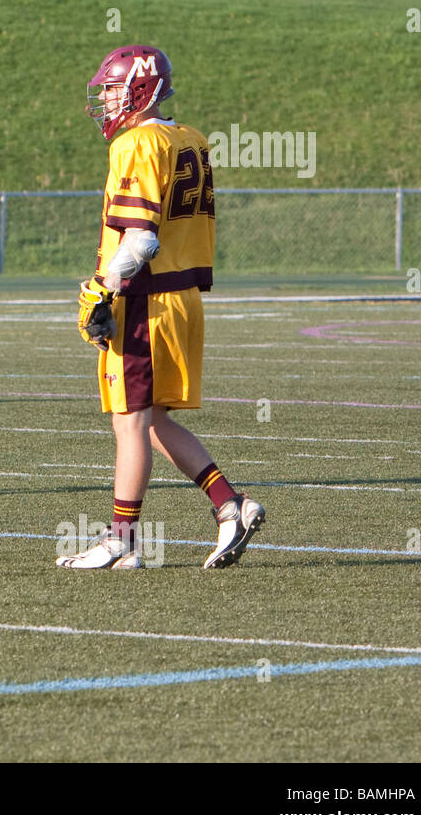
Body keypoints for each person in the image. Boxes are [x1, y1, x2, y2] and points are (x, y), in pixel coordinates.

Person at [56, 45, 265, 570]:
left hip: (145, 300)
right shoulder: (187, 136)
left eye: (110, 88)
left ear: (139, 88)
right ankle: (230, 506)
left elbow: (141, 239)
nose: (103, 99)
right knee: (154, 422)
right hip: (183, 298)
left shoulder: (137, 143)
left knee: (129, 423)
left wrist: (103, 290)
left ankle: (122, 540)